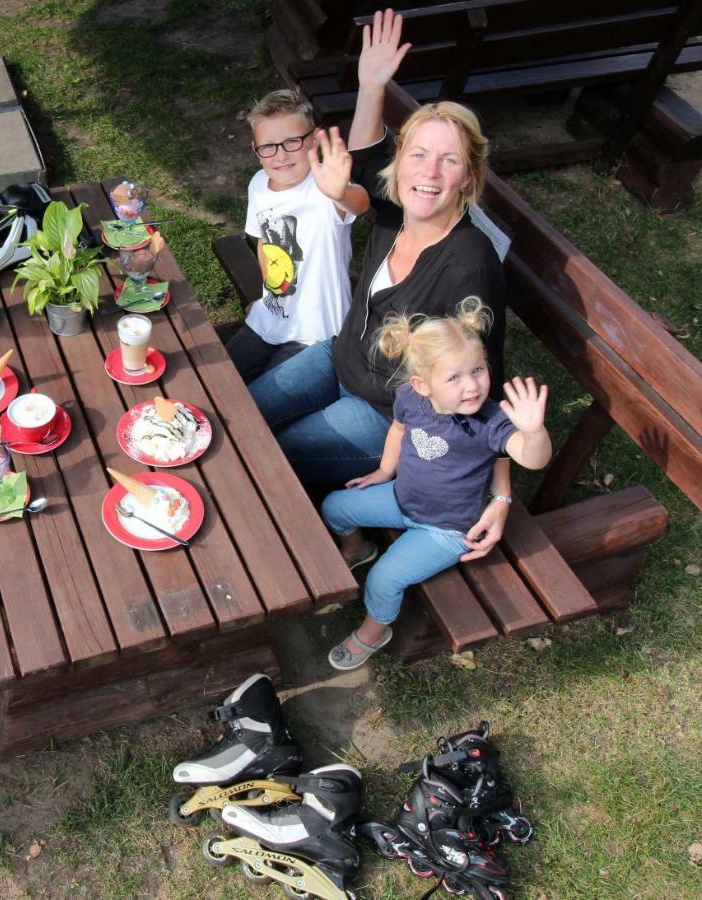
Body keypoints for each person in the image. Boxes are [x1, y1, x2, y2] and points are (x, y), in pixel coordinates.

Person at [247, 9, 513, 560]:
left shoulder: (468, 263)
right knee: (242, 413)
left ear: (468, 176)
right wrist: (371, 85)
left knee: (264, 455)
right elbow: (365, 164)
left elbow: (481, 382)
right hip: (337, 357)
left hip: (382, 414)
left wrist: (501, 493)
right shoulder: (401, 207)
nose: (429, 173)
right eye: (418, 155)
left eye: (448, 161)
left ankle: (336, 546)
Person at [320, 300, 551, 669]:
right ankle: (357, 550)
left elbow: (530, 457)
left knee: (383, 581)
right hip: (402, 498)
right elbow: (398, 429)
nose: (472, 385)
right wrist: (383, 472)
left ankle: (375, 631)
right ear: (421, 384)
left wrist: (534, 431)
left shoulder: (490, 421)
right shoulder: (410, 399)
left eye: (478, 369)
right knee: (334, 505)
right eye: (455, 377)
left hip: (447, 528)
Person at [226, 87, 370, 384]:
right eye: (268, 147)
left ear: (314, 140)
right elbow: (264, 241)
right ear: (256, 150)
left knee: (257, 402)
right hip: (270, 319)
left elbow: (359, 203)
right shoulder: (258, 184)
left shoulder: (324, 190)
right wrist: (269, 294)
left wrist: (341, 190)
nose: (280, 155)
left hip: (316, 335)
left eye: (291, 142)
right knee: (220, 382)